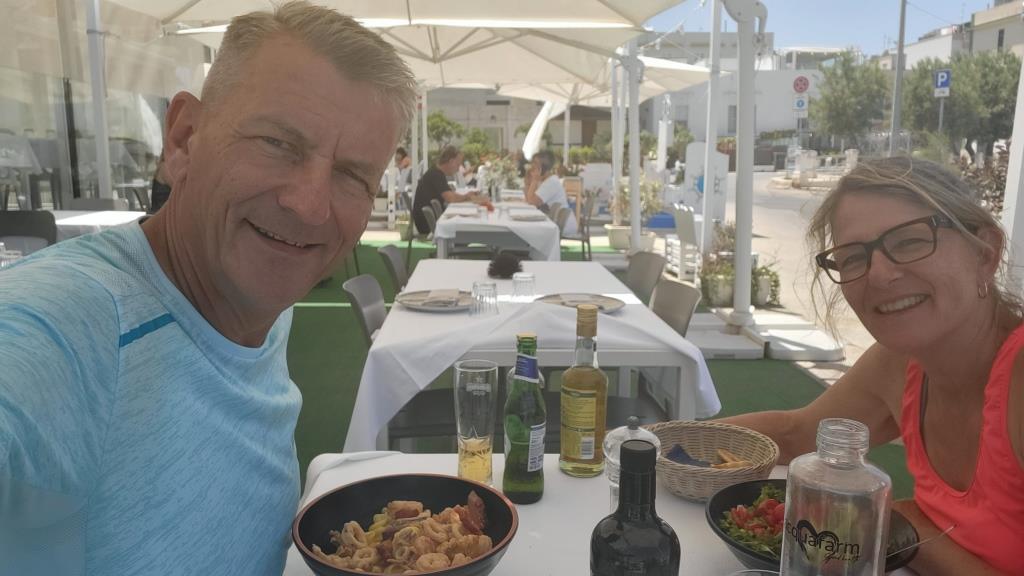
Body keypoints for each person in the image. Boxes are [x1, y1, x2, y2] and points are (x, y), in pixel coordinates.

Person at [0, 3, 416, 575]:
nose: (309, 206)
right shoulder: (67, 328)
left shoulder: (260, 302)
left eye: (352, 175)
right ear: (183, 139)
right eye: (277, 143)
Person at [722, 157, 1023, 575]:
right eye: (851, 258)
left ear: (985, 253)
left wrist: (910, 527)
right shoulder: (900, 364)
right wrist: (651, 443)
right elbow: (795, 435)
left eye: (910, 241)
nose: (878, 275)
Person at [411, 145, 485, 235]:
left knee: (466, 219)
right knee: (468, 225)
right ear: (451, 161)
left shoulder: (436, 172)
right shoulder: (436, 175)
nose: (458, 169)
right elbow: (451, 198)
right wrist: (467, 196)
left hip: (430, 220)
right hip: (428, 224)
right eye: (458, 165)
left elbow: (451, 194)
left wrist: (468, 196)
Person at [525, 150, 577, 235]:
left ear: (543, 167)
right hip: (554, 221)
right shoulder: (545, 181)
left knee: (527, 231)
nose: (532, 167)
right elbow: (528, 199)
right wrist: (528, 183)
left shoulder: (551, 182)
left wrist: (534, 180)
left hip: (563, 224)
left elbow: (531, 202)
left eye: (535, 164)